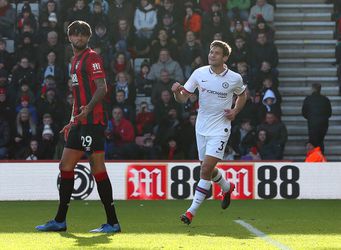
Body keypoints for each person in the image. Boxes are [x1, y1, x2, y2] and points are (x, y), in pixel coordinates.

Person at [36, 21, 120, 233]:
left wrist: (88, 110)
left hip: (93, 122)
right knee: (65, 165)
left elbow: (102, 88)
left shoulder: (92, 57)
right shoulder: (74, 61)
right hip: (80, 122)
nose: (79, 38)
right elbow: (77, 97)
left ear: (88, 38)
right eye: (75, 34)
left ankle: (113, 223)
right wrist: (73, 119)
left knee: (98, 169)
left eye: (83, 35)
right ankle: (60, 221)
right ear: (69, 37)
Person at [172, 40, 247, 225]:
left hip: (221, 127)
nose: (212, 55)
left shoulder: (234, 78)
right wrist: (176, 92)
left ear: (225, 57)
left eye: (216, 53)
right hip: (201, 126)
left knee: (204, 169)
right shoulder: (200, 73)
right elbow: (183, 98)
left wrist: (235, 111)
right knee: (208, 168)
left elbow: (243, 94)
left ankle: (190, 212)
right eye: (211, 51)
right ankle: (227, 187)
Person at [302, 83, 332, 153]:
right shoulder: (325, 99)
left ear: (312, 89)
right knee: (320, 141)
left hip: (312, 123)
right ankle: (320, 157)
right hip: (323, 123)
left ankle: (314, 158)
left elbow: (304, 112)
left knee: (313, 142)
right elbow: (329, 113)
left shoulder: (308, 99)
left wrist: (310, 117)